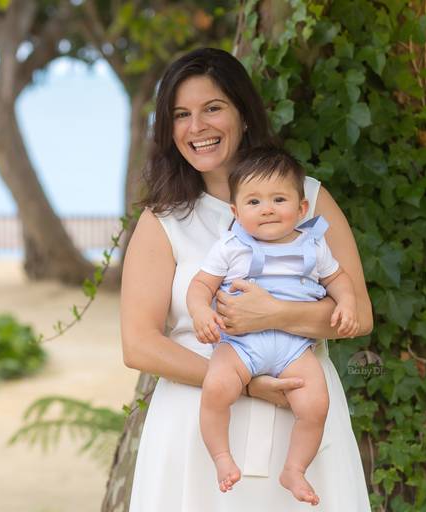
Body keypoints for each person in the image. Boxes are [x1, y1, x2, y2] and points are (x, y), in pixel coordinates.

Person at [121, 47, 373, 511]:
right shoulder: (164, 220)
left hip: (300, 412)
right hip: (195, 427)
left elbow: (358, 314)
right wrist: (243, 383)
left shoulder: (308, 199)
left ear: (243, 113)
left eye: (212, 108)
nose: (197, 127)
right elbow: (138, 345)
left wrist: (275, 314)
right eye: (181, 114)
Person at [186, 147, 359, 505]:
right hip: (240, 345)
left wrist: (346, 302)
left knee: (316, 405)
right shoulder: (231, 246)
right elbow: (201, 284)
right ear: (236, 212)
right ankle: (221, 456)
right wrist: (201, 312)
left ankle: (294, 468)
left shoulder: (312, 245)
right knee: (216, 388)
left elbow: (338, 278)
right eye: (253, 202)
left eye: (279, 199)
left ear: (302, 208)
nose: (267, 209)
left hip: (294, 346)